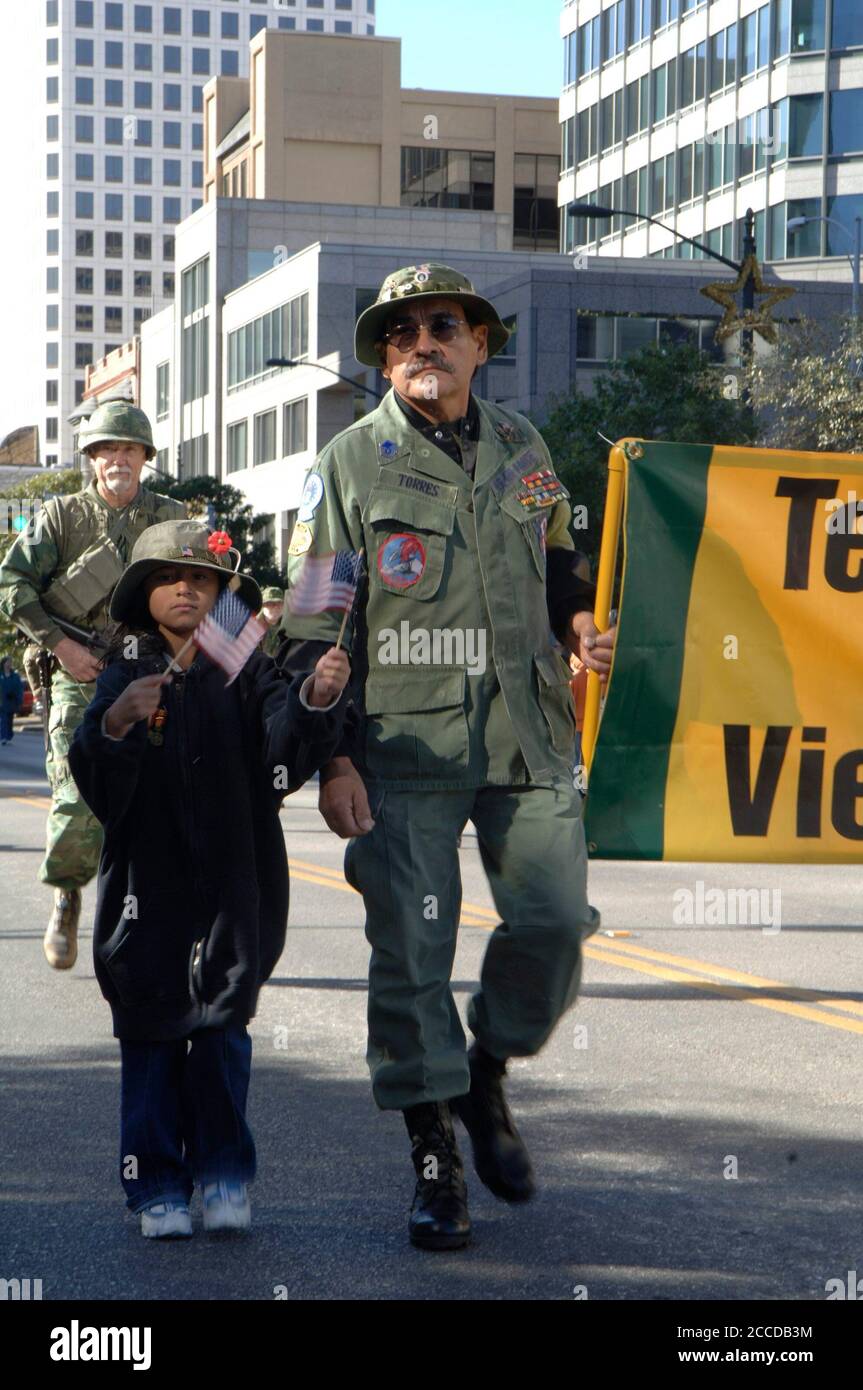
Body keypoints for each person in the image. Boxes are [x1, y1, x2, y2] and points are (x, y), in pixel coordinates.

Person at [279, 263, 616, 1250]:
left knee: (555, 918)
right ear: (386, 356)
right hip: (401, 745)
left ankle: (489, 1066)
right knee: (411, 960)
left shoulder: (522, 445)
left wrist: (581, 621)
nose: (422, 342)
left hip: (527, 730)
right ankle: (434, 1162)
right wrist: (332, 758)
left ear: (477, 342)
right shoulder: (348, 462)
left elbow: (559, 559)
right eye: (401, 332)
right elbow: (312, 626)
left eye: (442, 325)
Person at [68, 520, 350, 1239]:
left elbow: (280, 752)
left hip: (236, 879)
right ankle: (155, 1184)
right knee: (152, 1031)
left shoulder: (245, 662)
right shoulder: (123, 667)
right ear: (143, 593)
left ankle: (225, 1175)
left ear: (223, 594)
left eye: (201, 578)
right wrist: (118, 728)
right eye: (168, 577)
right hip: (145, 890)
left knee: (224, 1028)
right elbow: (96, 778)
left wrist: (315, 700)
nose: (187, 588)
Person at [0, 402, 186, 971]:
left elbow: (205, 588)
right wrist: (63, 647)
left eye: (129, 450)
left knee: (164, 799)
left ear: (145, 458)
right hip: (81, 674)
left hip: (156, 673)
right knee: (78, 800)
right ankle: (68, 894)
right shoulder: (59, 518)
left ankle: (161, 920)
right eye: (108, 450)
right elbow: (12, 582)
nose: (119, 460)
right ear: (93, 460)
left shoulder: (172, 517)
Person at [0, 656, 24, 744]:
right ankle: (3, 737)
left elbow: (19, 688)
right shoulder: (0, 675)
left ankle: (9, 736)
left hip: (12, 701)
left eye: (10, 662)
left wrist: (19, 699)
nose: (9, 664)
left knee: (10, 720)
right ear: (3, 663)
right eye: (7, 662)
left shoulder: (15, 675)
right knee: (3, 720)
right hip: (2, 702)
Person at [259, 586, 285, 657]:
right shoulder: (253, 627)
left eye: (279, 603)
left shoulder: (290, 626)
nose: (276, 607)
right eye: (270, 603)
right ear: (262, 606)